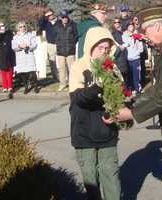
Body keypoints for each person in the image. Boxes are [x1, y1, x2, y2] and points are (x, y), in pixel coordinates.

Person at [116, 7, 162, 194]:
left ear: (158, 26)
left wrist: (131, 112)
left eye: (145, 30)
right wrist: (133, 103)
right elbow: (158, 87)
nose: (143, 34)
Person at [69, 26, 120, 200]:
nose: (104, 52)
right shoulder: (79, 66)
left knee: (111, 178)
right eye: (100, 48)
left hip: (107, 132)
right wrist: (98, 87)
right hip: (84, 133)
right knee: (91, 180)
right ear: (90, 46)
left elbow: (119, 96)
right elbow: (79, 98)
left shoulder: (112, 68)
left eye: (107, 48)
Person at [12, 21, 39, 94]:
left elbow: (35, 45)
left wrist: (28, 46)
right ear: (18, 28)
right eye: (20, 27)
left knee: (32, 72)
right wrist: (19, 46)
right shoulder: (15, 37)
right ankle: (26, 87)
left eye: (23, 26)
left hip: (29, 56)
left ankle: (35, 85)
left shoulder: (30, 35)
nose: (22, 28)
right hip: (20, 57)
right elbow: (13, 47)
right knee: (23, 73)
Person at [55, 9, 78, 92]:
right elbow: (55, 36)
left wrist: (72, 43)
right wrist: (58, 43)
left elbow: (76, 36)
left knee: (71, 69)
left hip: (70, 51)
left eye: (66, 17)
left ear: (68, 17)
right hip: (60, 50)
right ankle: (62, 84)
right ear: (61, 17)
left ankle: (72, 84)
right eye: (63, 17)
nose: (65, 19)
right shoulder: (57, 25)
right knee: (61, 69)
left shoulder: (73, 25)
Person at [0, 20, 15, 96]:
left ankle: (10, 86)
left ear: (5, 26)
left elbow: (11, 40)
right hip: (1, 55)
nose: (2, 27)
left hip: (9, 53)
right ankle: (5, 87)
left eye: (3, 26)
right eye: (0, 26)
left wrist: (5, 32)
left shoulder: (9, 32)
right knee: (3, 72)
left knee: (10, 71)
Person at [122, 21, 143, 94]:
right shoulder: (124, 35)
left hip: (136, 58)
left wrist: (138, 52)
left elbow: (141, 47)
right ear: (127, 27)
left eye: (132, 26)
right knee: (129, 75)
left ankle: (138, 89)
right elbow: (125, 45)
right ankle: (132, 89)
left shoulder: (137, 35)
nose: (131, 27)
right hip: (128, 59)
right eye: (129, 26)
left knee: (136, 75)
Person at [38, 8, 59, 81]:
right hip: (50, 45)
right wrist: (45, 15)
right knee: (52, 61)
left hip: (60, 44)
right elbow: (39, 23)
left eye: (51, 14)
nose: (50, 16)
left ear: (54, 14)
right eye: (49, 15)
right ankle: (55, 77)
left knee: (62, 61)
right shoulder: (46, 23)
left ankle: (64, 76)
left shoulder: (59, 22)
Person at [111, 17, 129, 88]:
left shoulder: (123, 33)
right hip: (118, 58)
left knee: (126, 76)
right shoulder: (113, 34)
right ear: (113, 24)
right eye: (115, 22)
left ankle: (126, 91)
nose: (117, 24)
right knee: (121, 77)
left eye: (118, 22)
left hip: (126, 56)